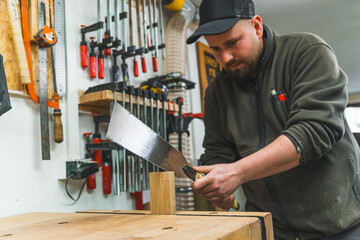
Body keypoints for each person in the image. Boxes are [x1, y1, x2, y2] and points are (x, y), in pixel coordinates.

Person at [186, 0, 360, 239]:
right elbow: (218, 152)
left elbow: (313, 131)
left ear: (256, 26)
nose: (225, 57)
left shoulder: (306, 52)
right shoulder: (217, 92)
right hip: (268, 228)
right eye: (215, 49)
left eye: (233, 43)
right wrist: (218, 187)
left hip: (338, 223)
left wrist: (236, 172)